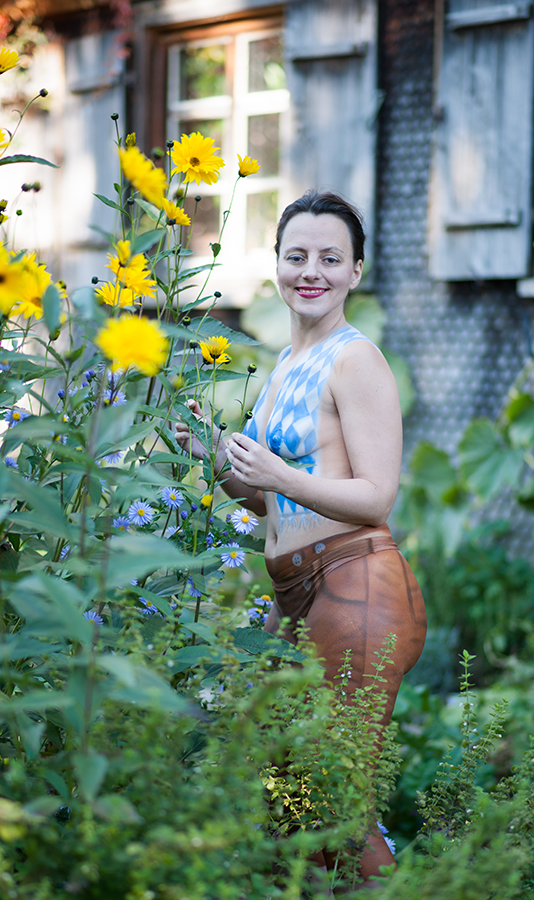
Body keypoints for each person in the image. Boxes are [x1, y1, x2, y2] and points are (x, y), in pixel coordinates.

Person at [175, 190, 427, 890]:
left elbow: (376, 495)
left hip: (358, 589)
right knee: (285, 796)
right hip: (302, 595)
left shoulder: (357, 360)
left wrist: (280, 470)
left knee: (334, 801)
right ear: (277, 266)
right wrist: (213, 456)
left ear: (355, 272)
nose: (310, 270)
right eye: (296, 256)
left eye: (330, 258)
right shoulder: (286, 367)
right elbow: (268, 498)